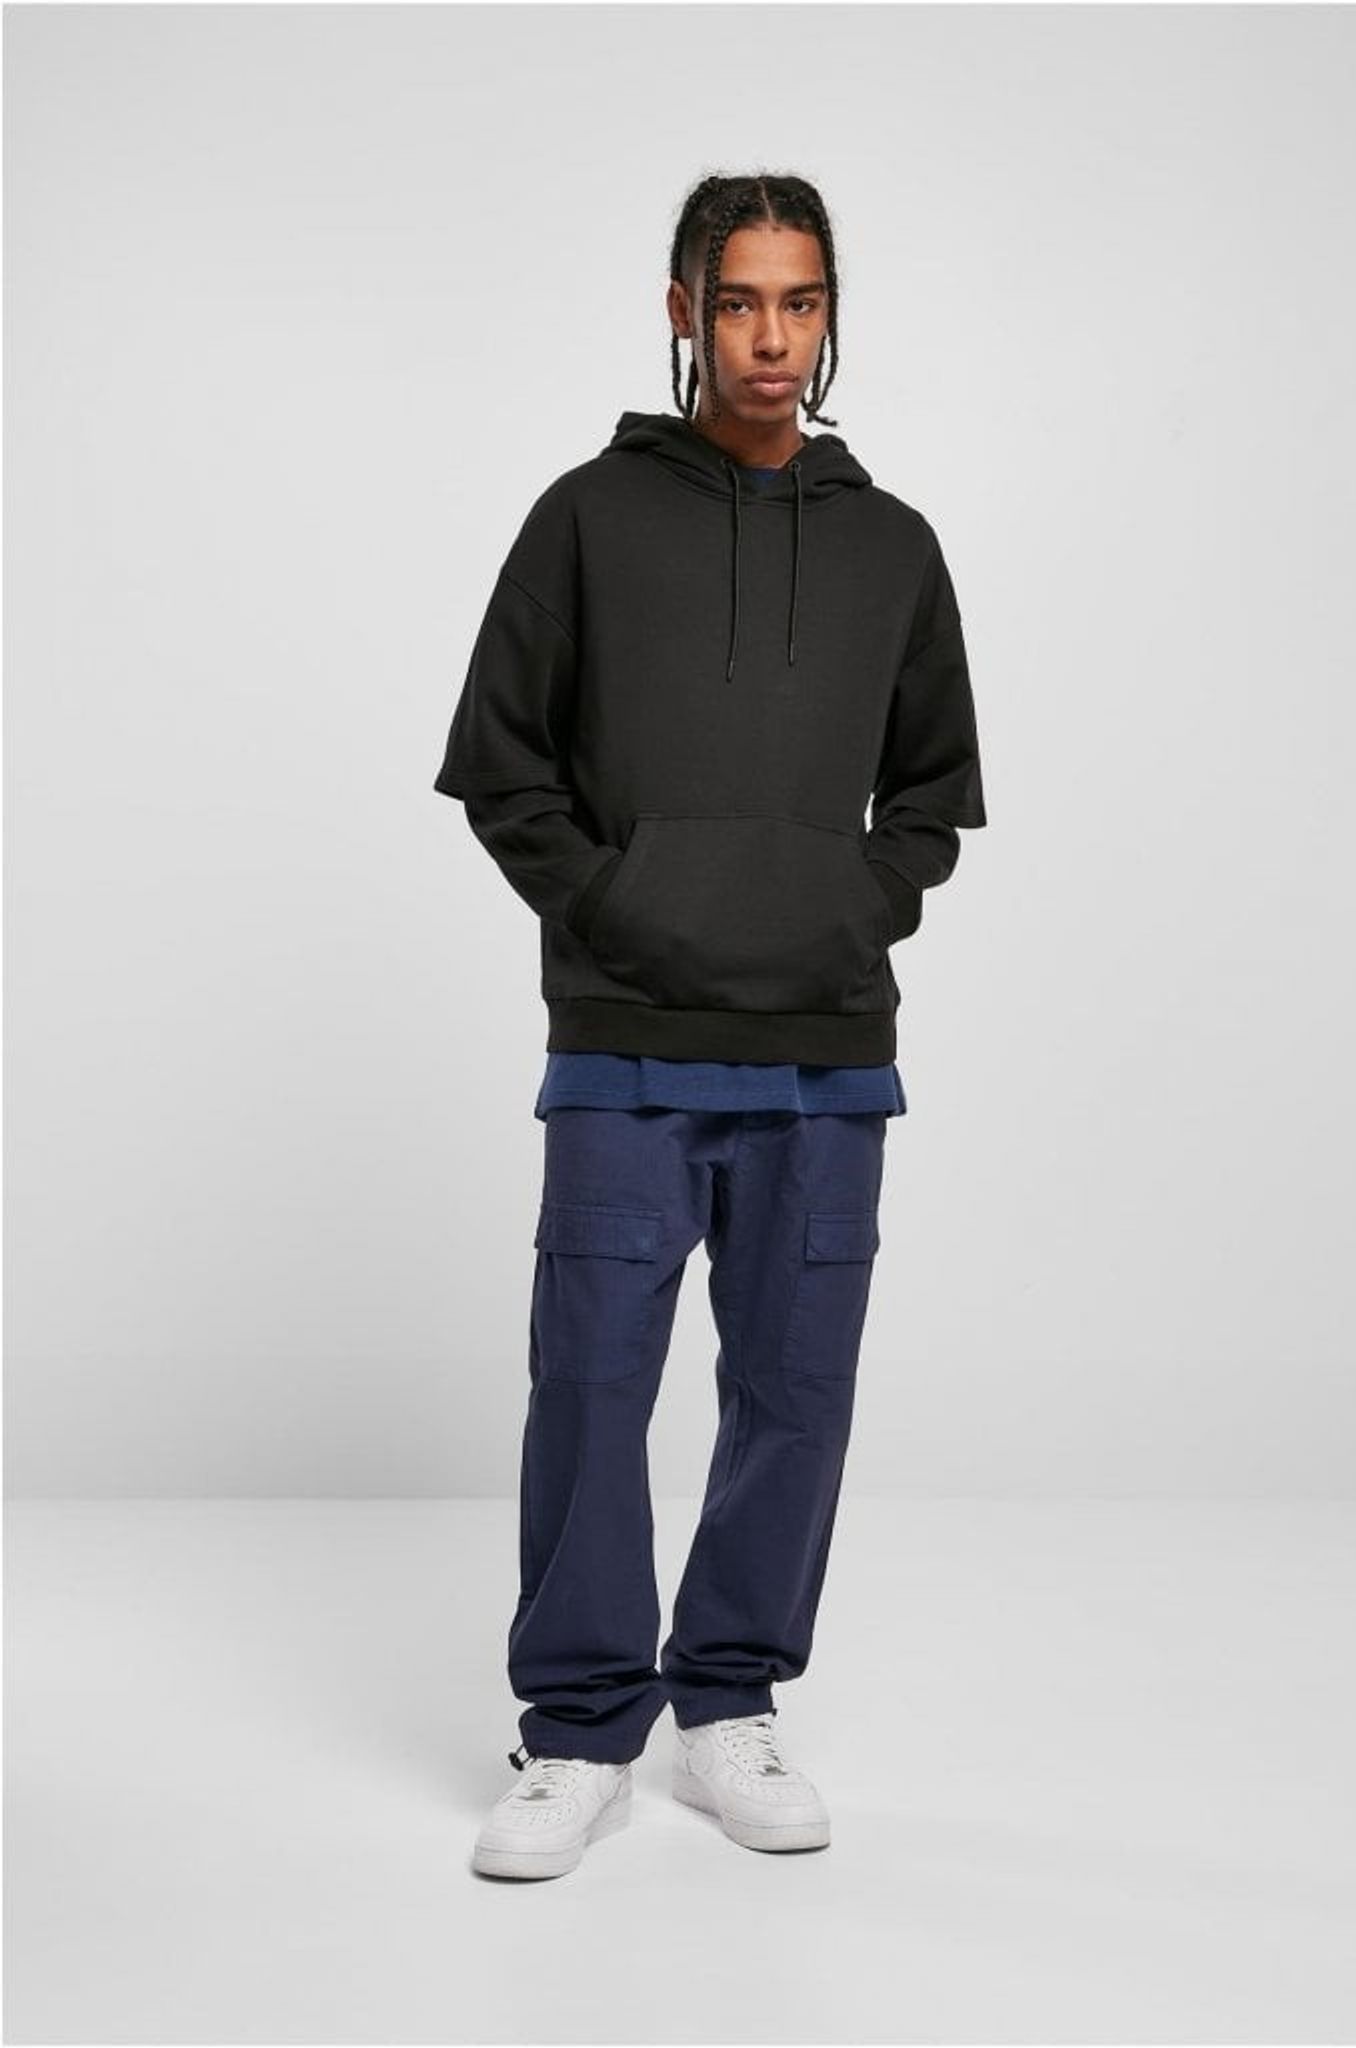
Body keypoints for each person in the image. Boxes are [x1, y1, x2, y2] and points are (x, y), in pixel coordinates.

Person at [433, 170, 987, 1881]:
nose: (768, 337)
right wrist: (617, 909)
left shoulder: (893, 546)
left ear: (829, 316)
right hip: (622, 1041)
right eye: (737, 300)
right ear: (683, 310)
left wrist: (843, 907)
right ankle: (578, 1726)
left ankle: (729, 1699)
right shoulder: (585, 520)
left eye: (798, 302)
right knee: (593, 1384)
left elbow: (933, 798)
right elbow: (501, 766)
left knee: (794, 1392)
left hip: (827, 1052)